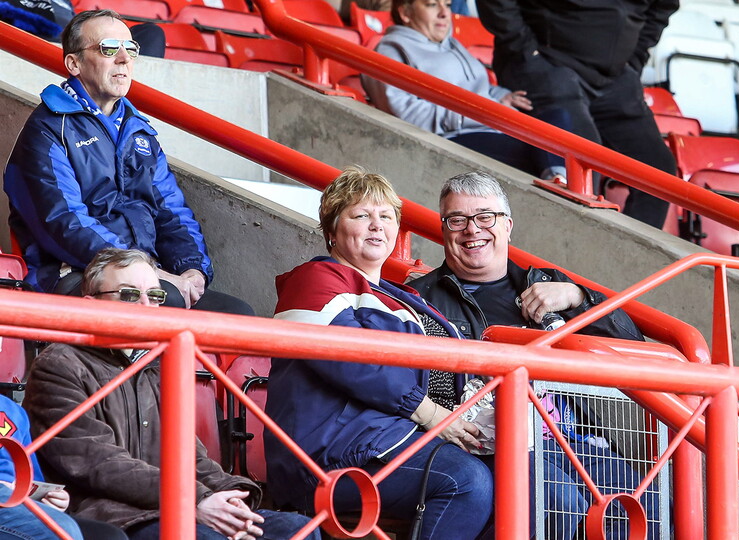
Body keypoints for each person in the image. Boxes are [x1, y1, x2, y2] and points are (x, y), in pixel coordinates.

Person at [410, 171, 659, 540]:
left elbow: (633, 346)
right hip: (490, 444)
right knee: (559, 501)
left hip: (570, 439)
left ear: (507, 225)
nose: (471, 229)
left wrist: (578, 299)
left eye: (484, 217)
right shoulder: (421, 300)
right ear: (444, 229)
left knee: (645, 503)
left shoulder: (545, 283)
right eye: (457, 220)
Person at [21, 248, 320, 540]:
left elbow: (191, 456)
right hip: (114, 515)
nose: (146, 307)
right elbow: (98, 463)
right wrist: (195, 500)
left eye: (154, 296)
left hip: (177, 505)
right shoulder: (60, 364)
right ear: (90, 303)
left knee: (296, 529)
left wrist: (234, 499)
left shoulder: (159, 364)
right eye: (128, 295)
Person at [265, 166, 493, 539]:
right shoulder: (315, 279)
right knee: (465, 480)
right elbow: (347, 357)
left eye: (386, 216)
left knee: (518, 477)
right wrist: (432, 413)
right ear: (332, 232)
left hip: (388, 438)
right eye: (361, 215)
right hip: (328, 455)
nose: (377, 225)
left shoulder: (401, 297)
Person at [3, 10, 249, 314]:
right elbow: (64, 224)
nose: (123, 59)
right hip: (73, 273)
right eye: (108, 48)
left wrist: (192, 271)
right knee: (165, 300)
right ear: (74, 63)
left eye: (130, 49)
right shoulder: (49, 129)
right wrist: (144, 270)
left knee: (237, 312)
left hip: (147, 276)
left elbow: (172, 212)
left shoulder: (139, 131)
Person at [476, 0, 679, 228]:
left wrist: (634, 58)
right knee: (583, 164)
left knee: (658, 169)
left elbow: (663, 6)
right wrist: (524, 49)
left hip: (616, 74)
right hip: (548, 62)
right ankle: (570, 259)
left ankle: (627, 259)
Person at [362, 0, 567, 182]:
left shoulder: (453, 45)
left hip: (489, 125)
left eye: (448, 5)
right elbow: (405, 112)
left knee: (557, 116)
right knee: (535, 150)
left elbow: (477, 88)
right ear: (406, 13)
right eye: (432, 5)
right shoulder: (391, 50)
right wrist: (477, 114)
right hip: (453, 137)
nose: (444, 13)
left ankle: (558, 180)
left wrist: (499, 97)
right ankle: (560, 185)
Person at [0, 394, 84, 540]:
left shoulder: (15, 412)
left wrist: (49, 499)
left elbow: (29, 478)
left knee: (109, 534)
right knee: (61, 530)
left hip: (16, 500)